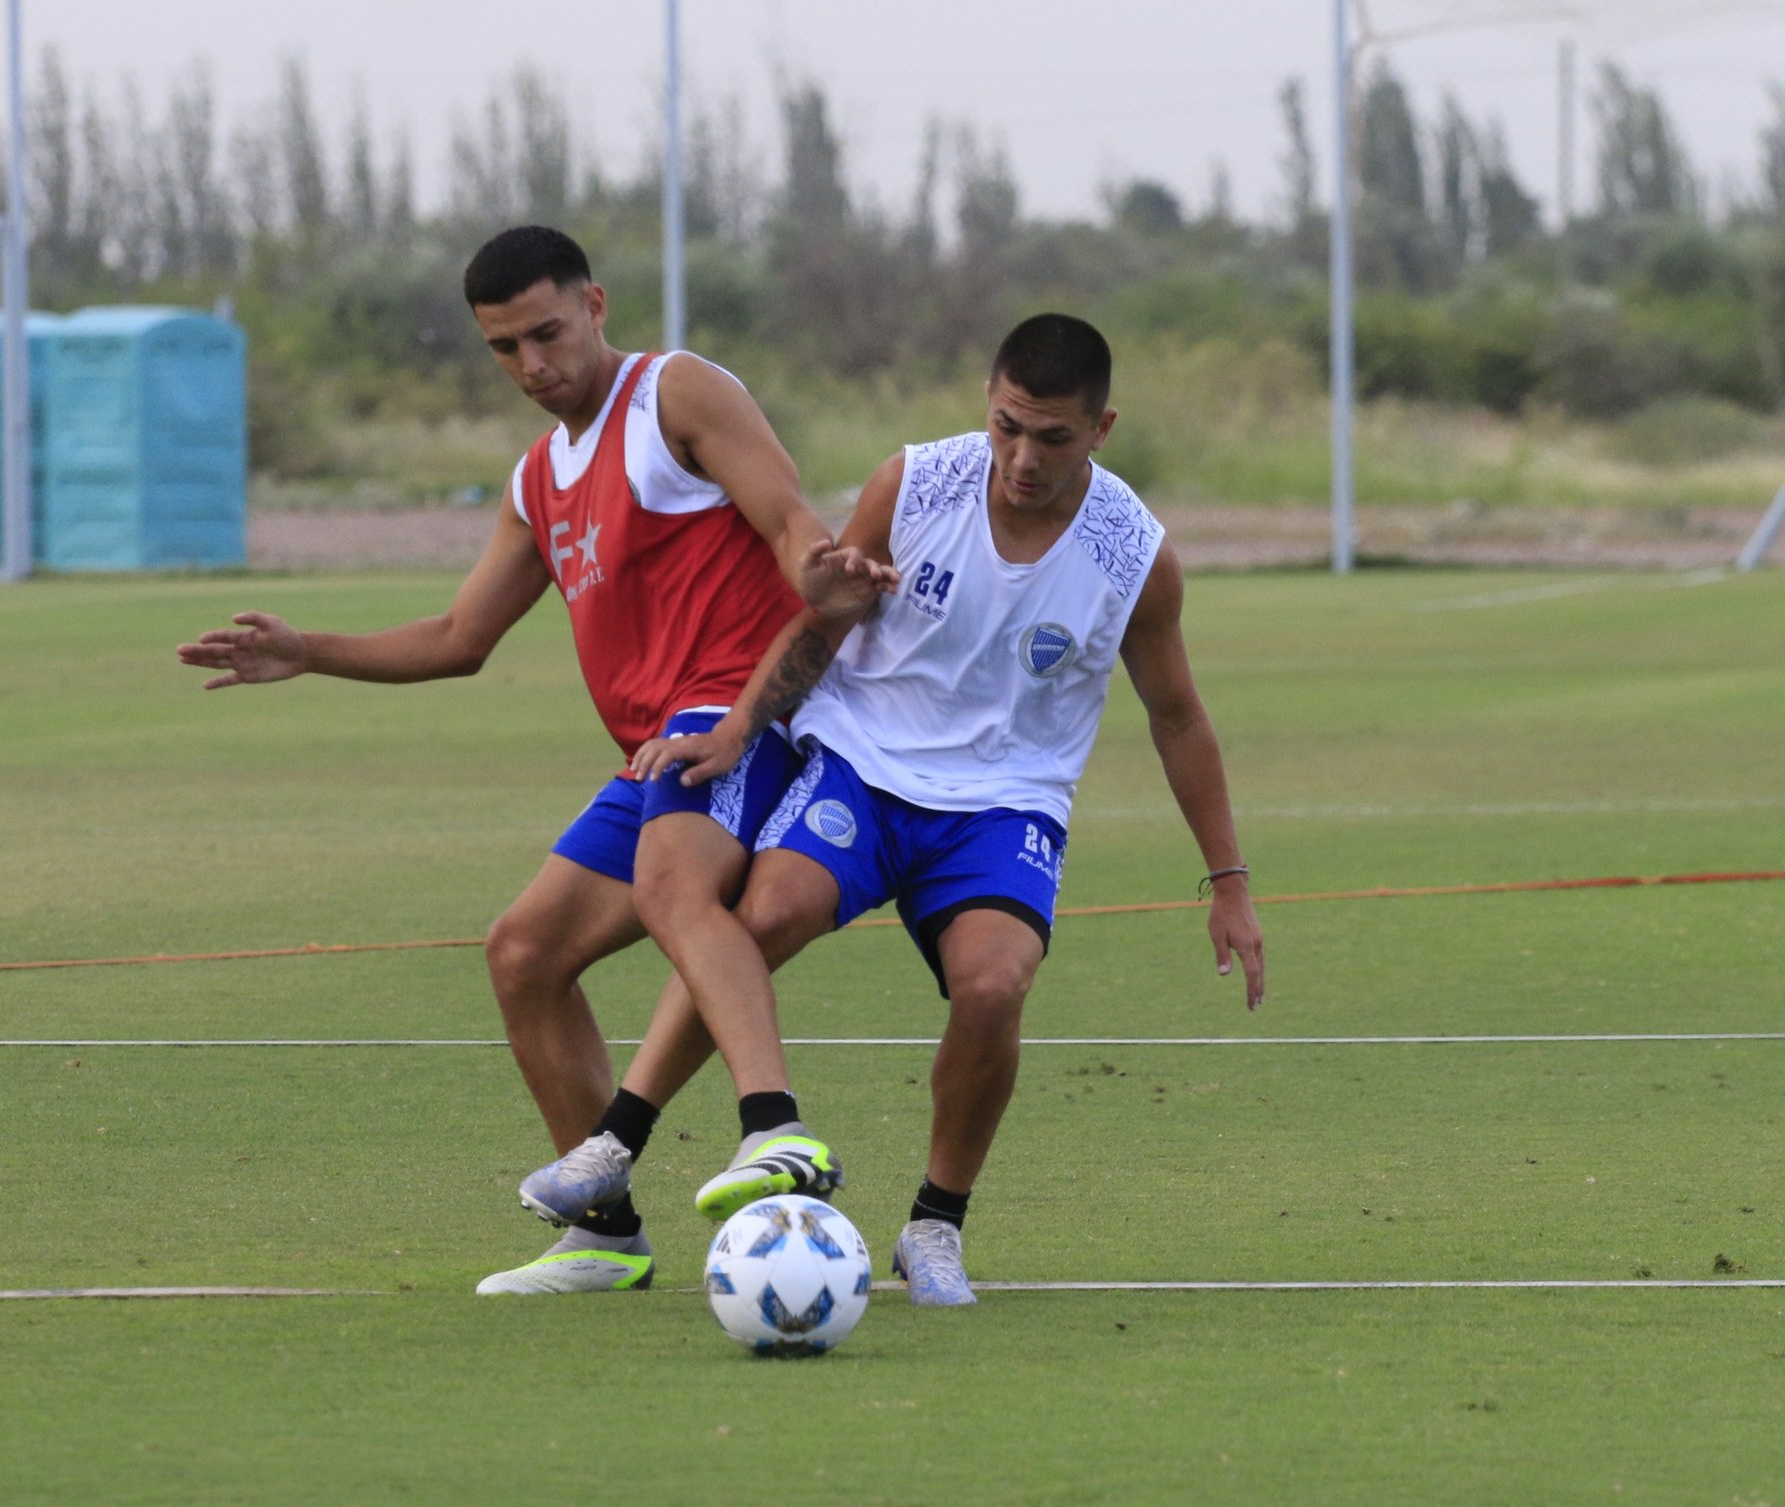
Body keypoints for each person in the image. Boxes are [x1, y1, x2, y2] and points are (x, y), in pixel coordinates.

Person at [176, 226, 892, 1296]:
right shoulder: (537, 479)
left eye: (547, 333)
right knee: (522, 953)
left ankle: (775, 1130)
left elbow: (789, 520)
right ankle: (603, 1232)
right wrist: (309, 652)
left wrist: (820, 568)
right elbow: (461, 640)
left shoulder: (676, 395)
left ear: (596, 305)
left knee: (668, 883)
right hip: (652, 748)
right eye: (504, 349)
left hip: (746, 712)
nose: (532, 366)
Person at [513, 312, 1266, 1306]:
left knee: (993, 987)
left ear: (1101, 429)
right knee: (765, 914)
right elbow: (819, 622)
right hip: (862, 767)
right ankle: (620, 1139)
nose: (1020, 458)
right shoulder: (914, 482)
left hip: (1004, 803)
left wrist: (1227, 879)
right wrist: (738, 729)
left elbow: (1177, 719)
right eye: (1005, 426)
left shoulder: (1132, 553)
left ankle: (932, 1227)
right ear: (986, 404)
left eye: (1051, 437)